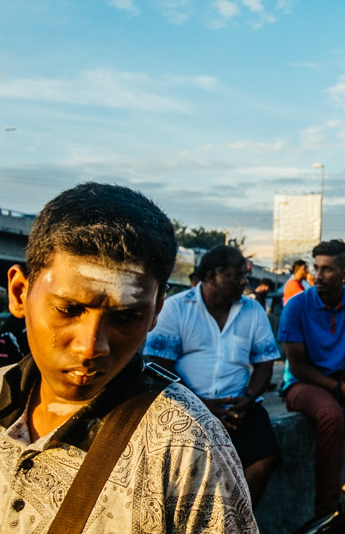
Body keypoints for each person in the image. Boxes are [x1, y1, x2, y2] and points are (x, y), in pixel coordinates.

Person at [4, 182, 256, 531]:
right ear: (19, 292)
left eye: (126, 317)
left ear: (156, 311)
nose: (92, 347)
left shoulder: (187, 447)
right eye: (68, 309)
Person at [145, 244, 282, 506]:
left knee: (266, 456)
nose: (244, 281)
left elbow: (265, 364)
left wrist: (249, 398)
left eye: (244, 274)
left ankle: (237, 519)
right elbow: (158, 365)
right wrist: (198, 405)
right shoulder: (176, 308)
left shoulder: (252, 311)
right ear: (211, 277)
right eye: (236, 275)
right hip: (185, 406)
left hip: (238, 406)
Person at [278, 239, 345, 519]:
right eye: (316, 268)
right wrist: (339, 388)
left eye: (327, 269)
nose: (317, 275)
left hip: (342, 376)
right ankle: (328, 513)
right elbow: (296, 367)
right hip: (300, 384)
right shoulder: (296, 306)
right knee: (331, 415)